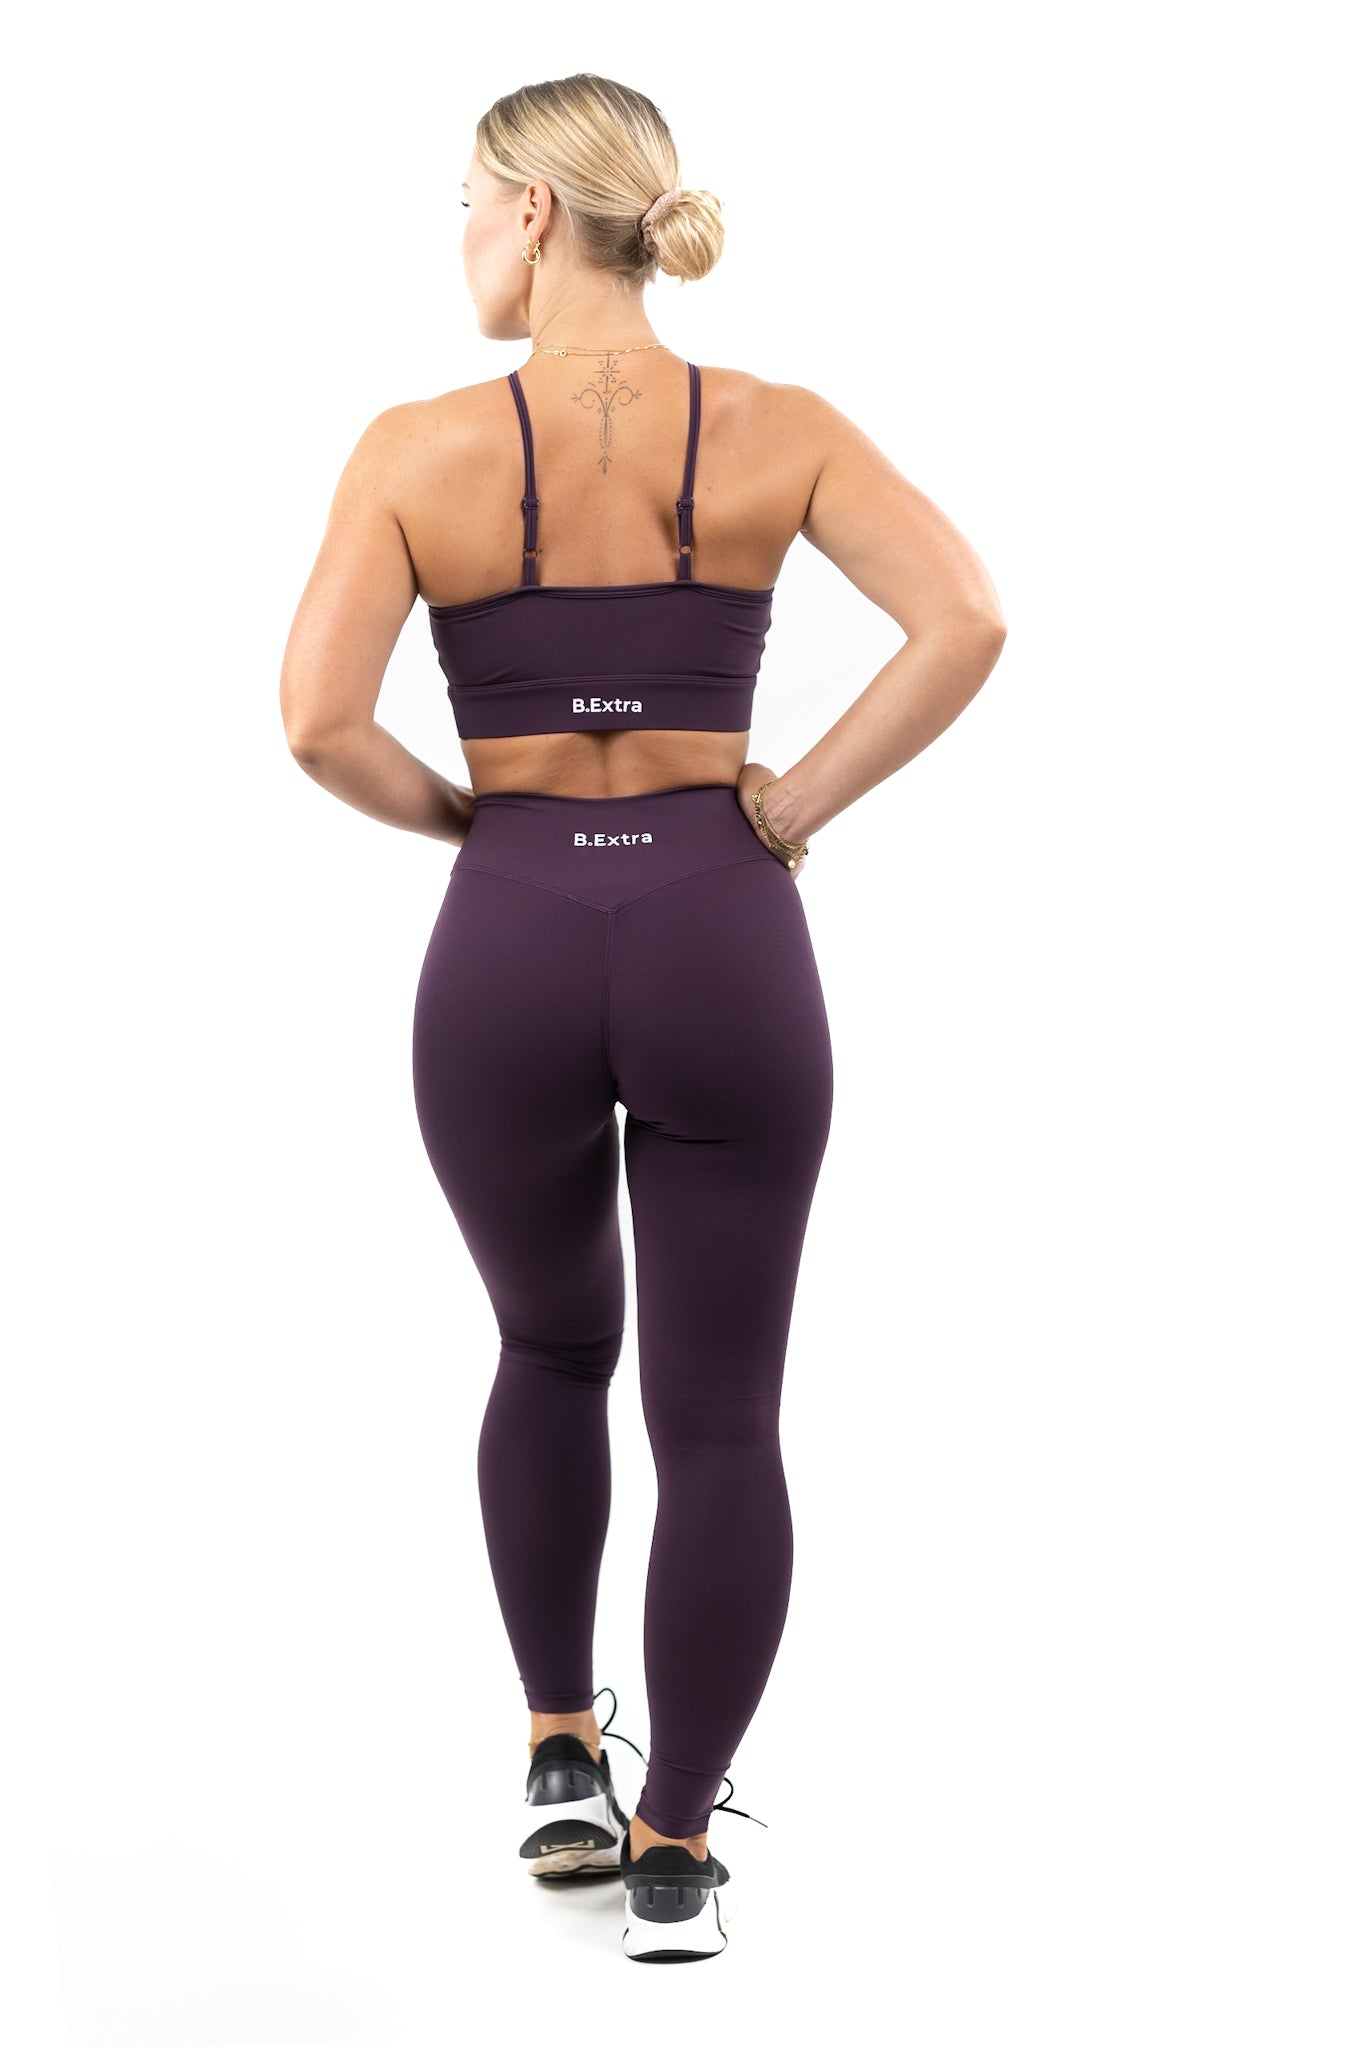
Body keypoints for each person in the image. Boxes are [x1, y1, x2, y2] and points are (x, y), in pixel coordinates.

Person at [279, 70, 1007, 1962]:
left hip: (507, 941)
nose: (458, 235)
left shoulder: (413, 447)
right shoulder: (783, 428)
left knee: (544, 1350)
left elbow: (318, 725)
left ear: (530, 213)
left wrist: (485, 830)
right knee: (722, 1418)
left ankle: (555, 1753)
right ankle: (676, 1849)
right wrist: (784, 805)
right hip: (719, 933)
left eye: (464, 198)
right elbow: (965, 621)